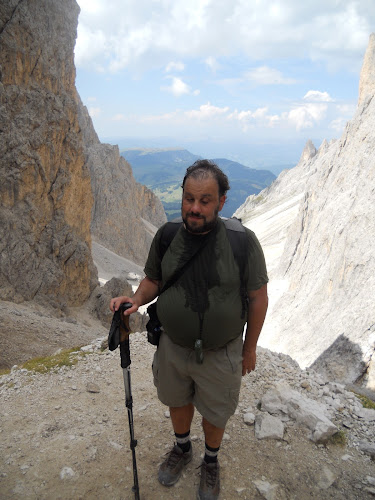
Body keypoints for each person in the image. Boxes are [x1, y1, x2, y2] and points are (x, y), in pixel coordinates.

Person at [110, 159, 268, 500]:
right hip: (172, 344)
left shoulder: (242, 242)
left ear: (221, 202)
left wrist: (250, 347)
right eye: (188, 199)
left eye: (205, 200)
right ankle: (183, 449)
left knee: (215, 410)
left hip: (221, 349)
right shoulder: (168, 236)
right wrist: (136, 300)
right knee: (177, 400)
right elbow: (153, 279)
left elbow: (257, 298)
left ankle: (210, 461)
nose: (194, 208)